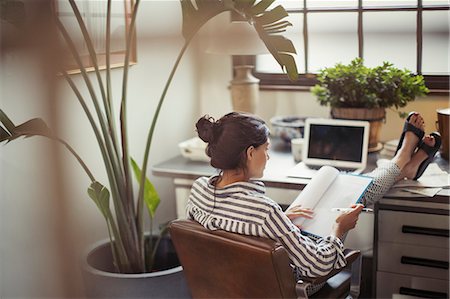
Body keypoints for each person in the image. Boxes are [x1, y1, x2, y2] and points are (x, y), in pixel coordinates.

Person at [186, 111, 439, 294]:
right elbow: (316, 267)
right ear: (250, 153)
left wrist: (282, 222)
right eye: (266, 148)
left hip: (229, 287)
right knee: (357, 194)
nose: (269, 156)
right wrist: (339, 229)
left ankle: (404, 165)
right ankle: (403, 159)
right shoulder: (264, 213)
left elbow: (228, 233)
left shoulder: (198, 189)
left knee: (341, 195)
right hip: (290, 286)